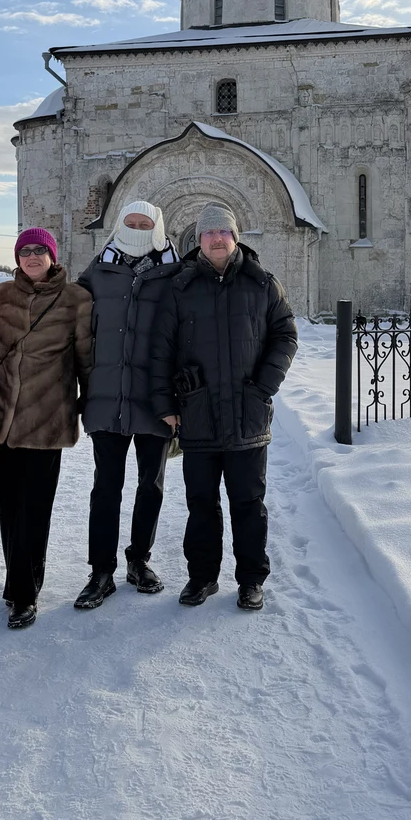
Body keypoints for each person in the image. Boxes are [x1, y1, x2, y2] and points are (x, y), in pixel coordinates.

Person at [149, 203, 298, 611]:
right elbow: (160, 351)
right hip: (197, 413)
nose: (217, 239)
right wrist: (166, 404)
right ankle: (202, 577)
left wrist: (263, 386)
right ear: (198, 240)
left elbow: (285, 334)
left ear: (236, 237)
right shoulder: (180, 288)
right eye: (209, 233)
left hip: (247, 414)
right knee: (201, 502)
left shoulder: (261, 283)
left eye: (224, 232)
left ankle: (251, 579)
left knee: (249, 503)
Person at [0, 227, 92, 630]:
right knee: (9, 508)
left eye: (39, 250)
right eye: (24, 251)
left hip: (47, 421)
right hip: (4, 420)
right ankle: (17, 582)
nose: (31, 257)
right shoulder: (1, 297)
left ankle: (26, 593)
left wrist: (85, 406)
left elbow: (85, 359)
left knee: (34, 510)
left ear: (52, 256)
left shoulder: (76, 299)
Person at [73, 200, 182, 610]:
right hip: (108, 395)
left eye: (144, 223)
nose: (136, 228)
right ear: (118, 226)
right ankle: (101, 571)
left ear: (157, 228)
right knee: (106, 487)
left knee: (150, 484)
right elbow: (66, 315)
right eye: (130, 222)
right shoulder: (98, 271)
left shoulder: (175, 274)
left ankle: (139, 560)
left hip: (156, 399)